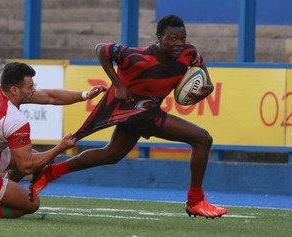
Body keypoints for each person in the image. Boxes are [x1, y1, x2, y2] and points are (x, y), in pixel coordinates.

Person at [30, 14, 227, 218]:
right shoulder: (136, 56)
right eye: (172, 38)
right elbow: (101, 49)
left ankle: (51, 172)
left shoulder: (189, 52)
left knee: (111, 155)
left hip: (143, 112)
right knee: (202, 139)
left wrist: (209, 87)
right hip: (140, 113)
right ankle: (195, 201)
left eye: (182, 38)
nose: (178, 43)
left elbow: (200, 67)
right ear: (159, 37)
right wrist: (118, 83)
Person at [0, 62, 107, 218]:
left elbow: (51, 97)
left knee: (34, 155)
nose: (34, 90)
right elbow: (26, 168)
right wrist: (61, 147)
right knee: (32, 203)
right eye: (30, 87)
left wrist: (85, 95)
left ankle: (1, 190)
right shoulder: (13, 120)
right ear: (15, 90)